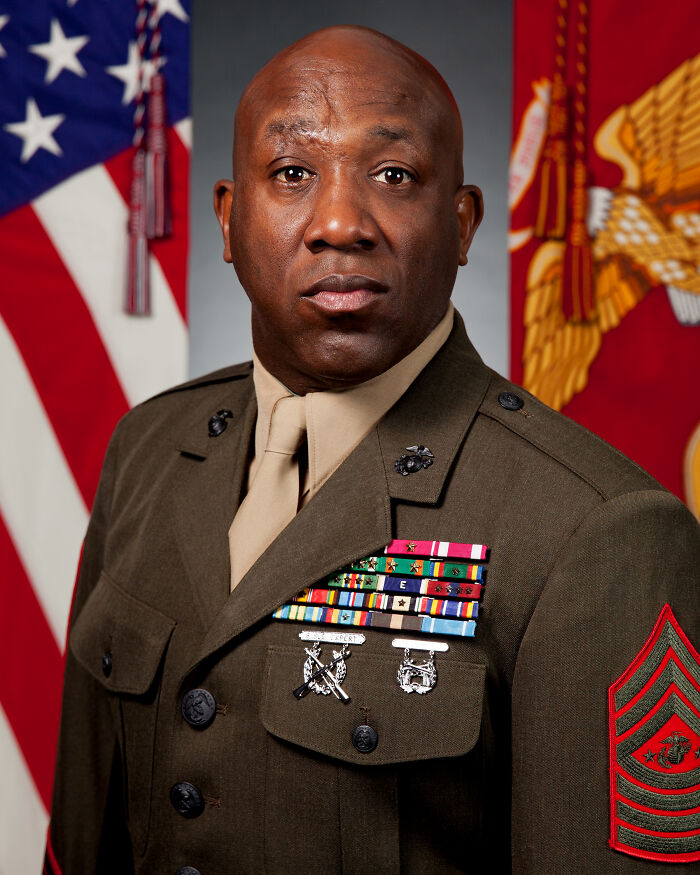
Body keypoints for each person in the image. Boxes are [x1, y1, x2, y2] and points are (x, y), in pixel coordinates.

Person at [47, 25, 700, 875]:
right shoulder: (149, 449)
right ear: (229, 219)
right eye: (291, 173)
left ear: (463, 224)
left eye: (393, 176)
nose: (341, 222)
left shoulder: (596, 530)